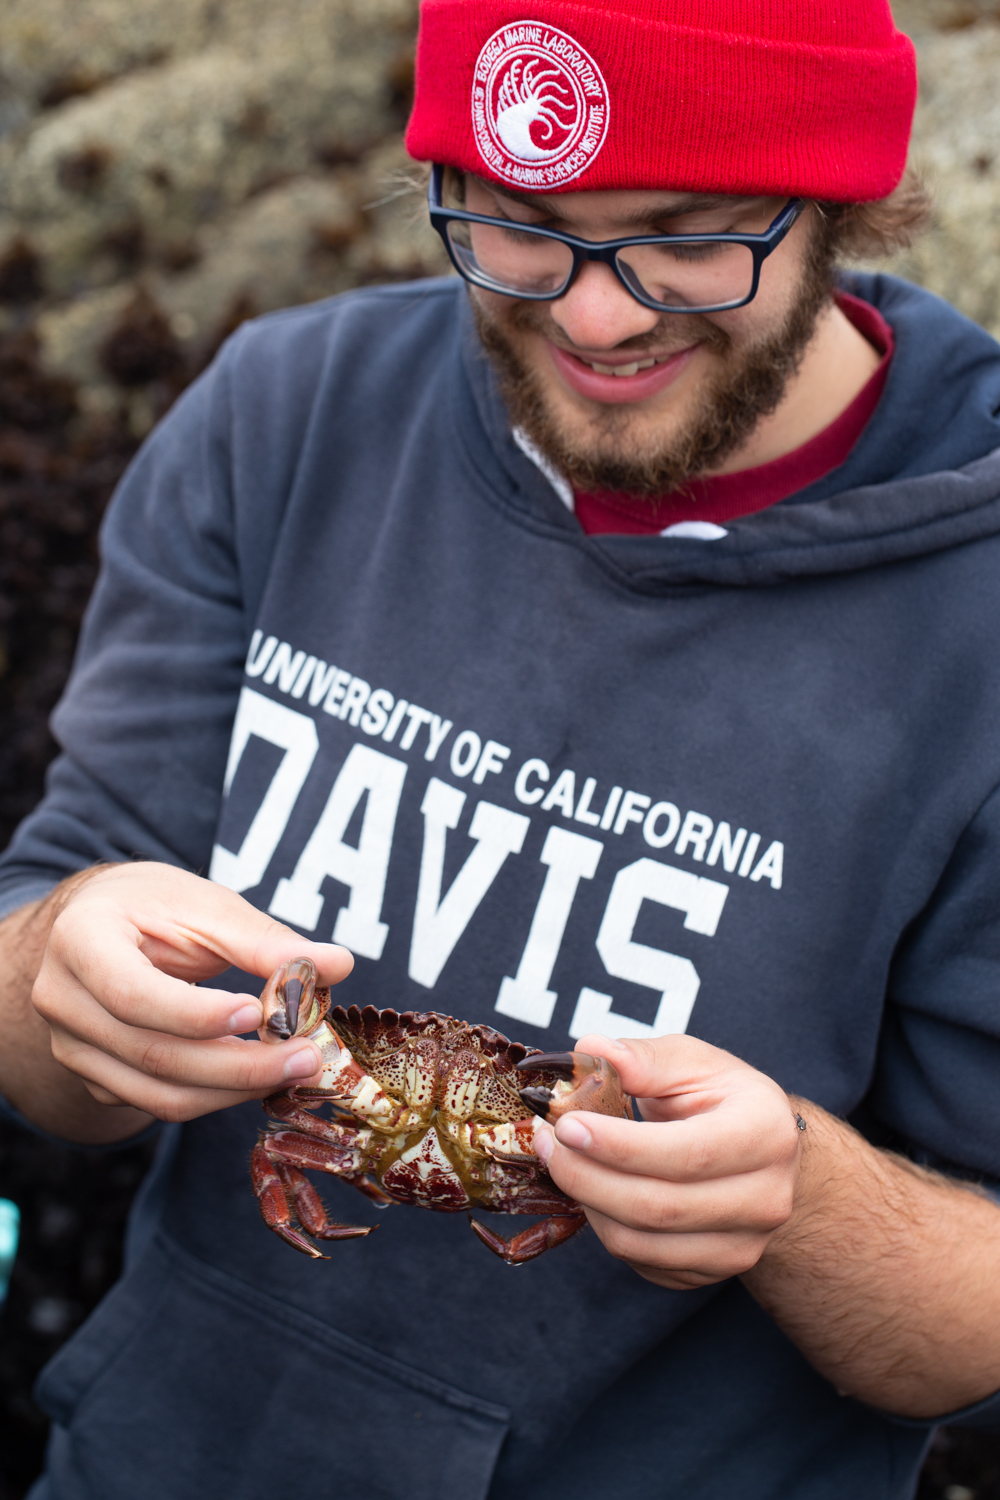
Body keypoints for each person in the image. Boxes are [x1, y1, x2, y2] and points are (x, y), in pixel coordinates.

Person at [2, 0, 1000, 1494]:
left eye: (688, 236)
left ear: (849, 200)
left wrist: (798, 1197)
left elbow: (967, 1343)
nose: (598, 317)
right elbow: (37, 1027)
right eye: (521, 225)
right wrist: (60, 961)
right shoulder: (285, 416)